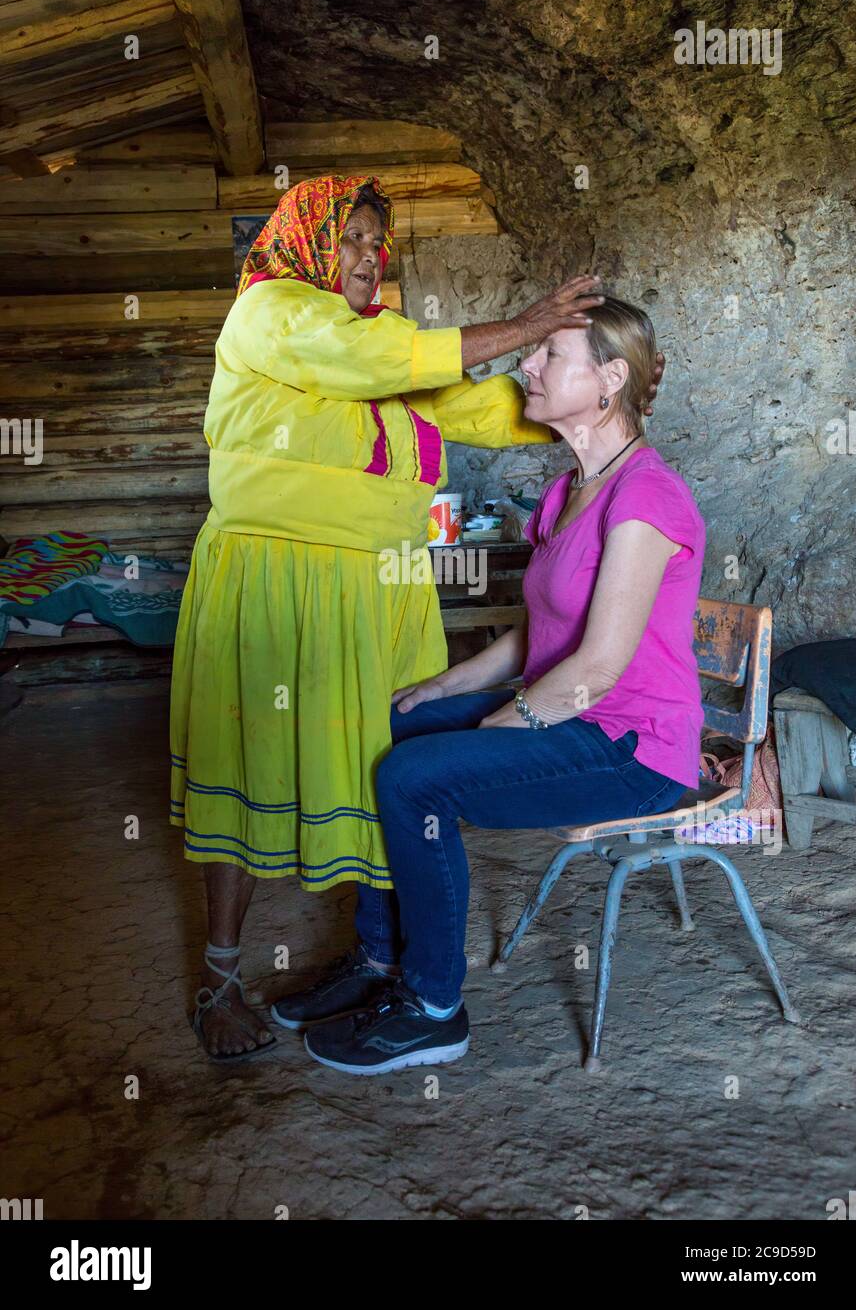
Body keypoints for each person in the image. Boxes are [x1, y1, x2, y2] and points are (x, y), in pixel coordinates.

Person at [170, 170, 619, 1060]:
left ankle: (381, 962)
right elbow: (367, 362)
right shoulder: (269, 312)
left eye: (379, 245)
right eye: (354, 240)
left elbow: (475, 407)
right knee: (252, 760)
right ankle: (219, 978)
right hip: (277, 587)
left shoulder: (381, 342)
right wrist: (529, 324)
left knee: (382, 760)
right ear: (306, 241)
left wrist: (592, 393)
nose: (371, 259)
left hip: (378, 594)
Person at [302, 295, 706, 1075]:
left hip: (633, 747)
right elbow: (538, 631)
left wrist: (493, 731)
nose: (526, 364)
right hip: (578, 720)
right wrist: (443, 689)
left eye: (549, 356)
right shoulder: (568, 492)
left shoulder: (646, 496)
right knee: (396, 730)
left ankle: (432, 1008)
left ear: (609, 378)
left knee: (417, 780)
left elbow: (594, 670)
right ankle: (381, 958)